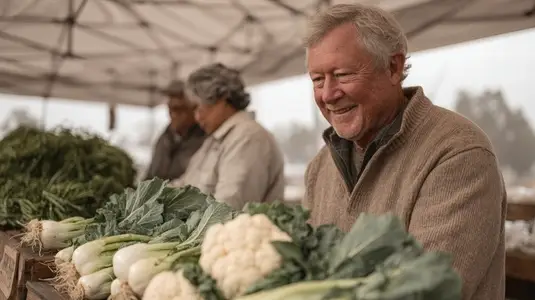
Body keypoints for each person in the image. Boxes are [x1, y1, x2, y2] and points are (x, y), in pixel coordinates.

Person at [302, 4, 505, 300]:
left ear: (393, 67)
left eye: (343, 74)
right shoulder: (319, 167)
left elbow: (427, 291)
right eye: (317, 80)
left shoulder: (458, 153)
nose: (328, 94)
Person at [175, 63, 285, 209]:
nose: (197, 117)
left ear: (222, 99)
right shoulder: (215, 141)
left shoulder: (248, 137)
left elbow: (230, 206)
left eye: (198, 107)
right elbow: (183, 186)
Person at [144, 80, 205, 181]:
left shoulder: (205, 140)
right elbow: (150, 176)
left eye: (180, 109)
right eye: (170, 109)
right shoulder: (164, 138)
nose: (173, 115)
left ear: (194, 110)